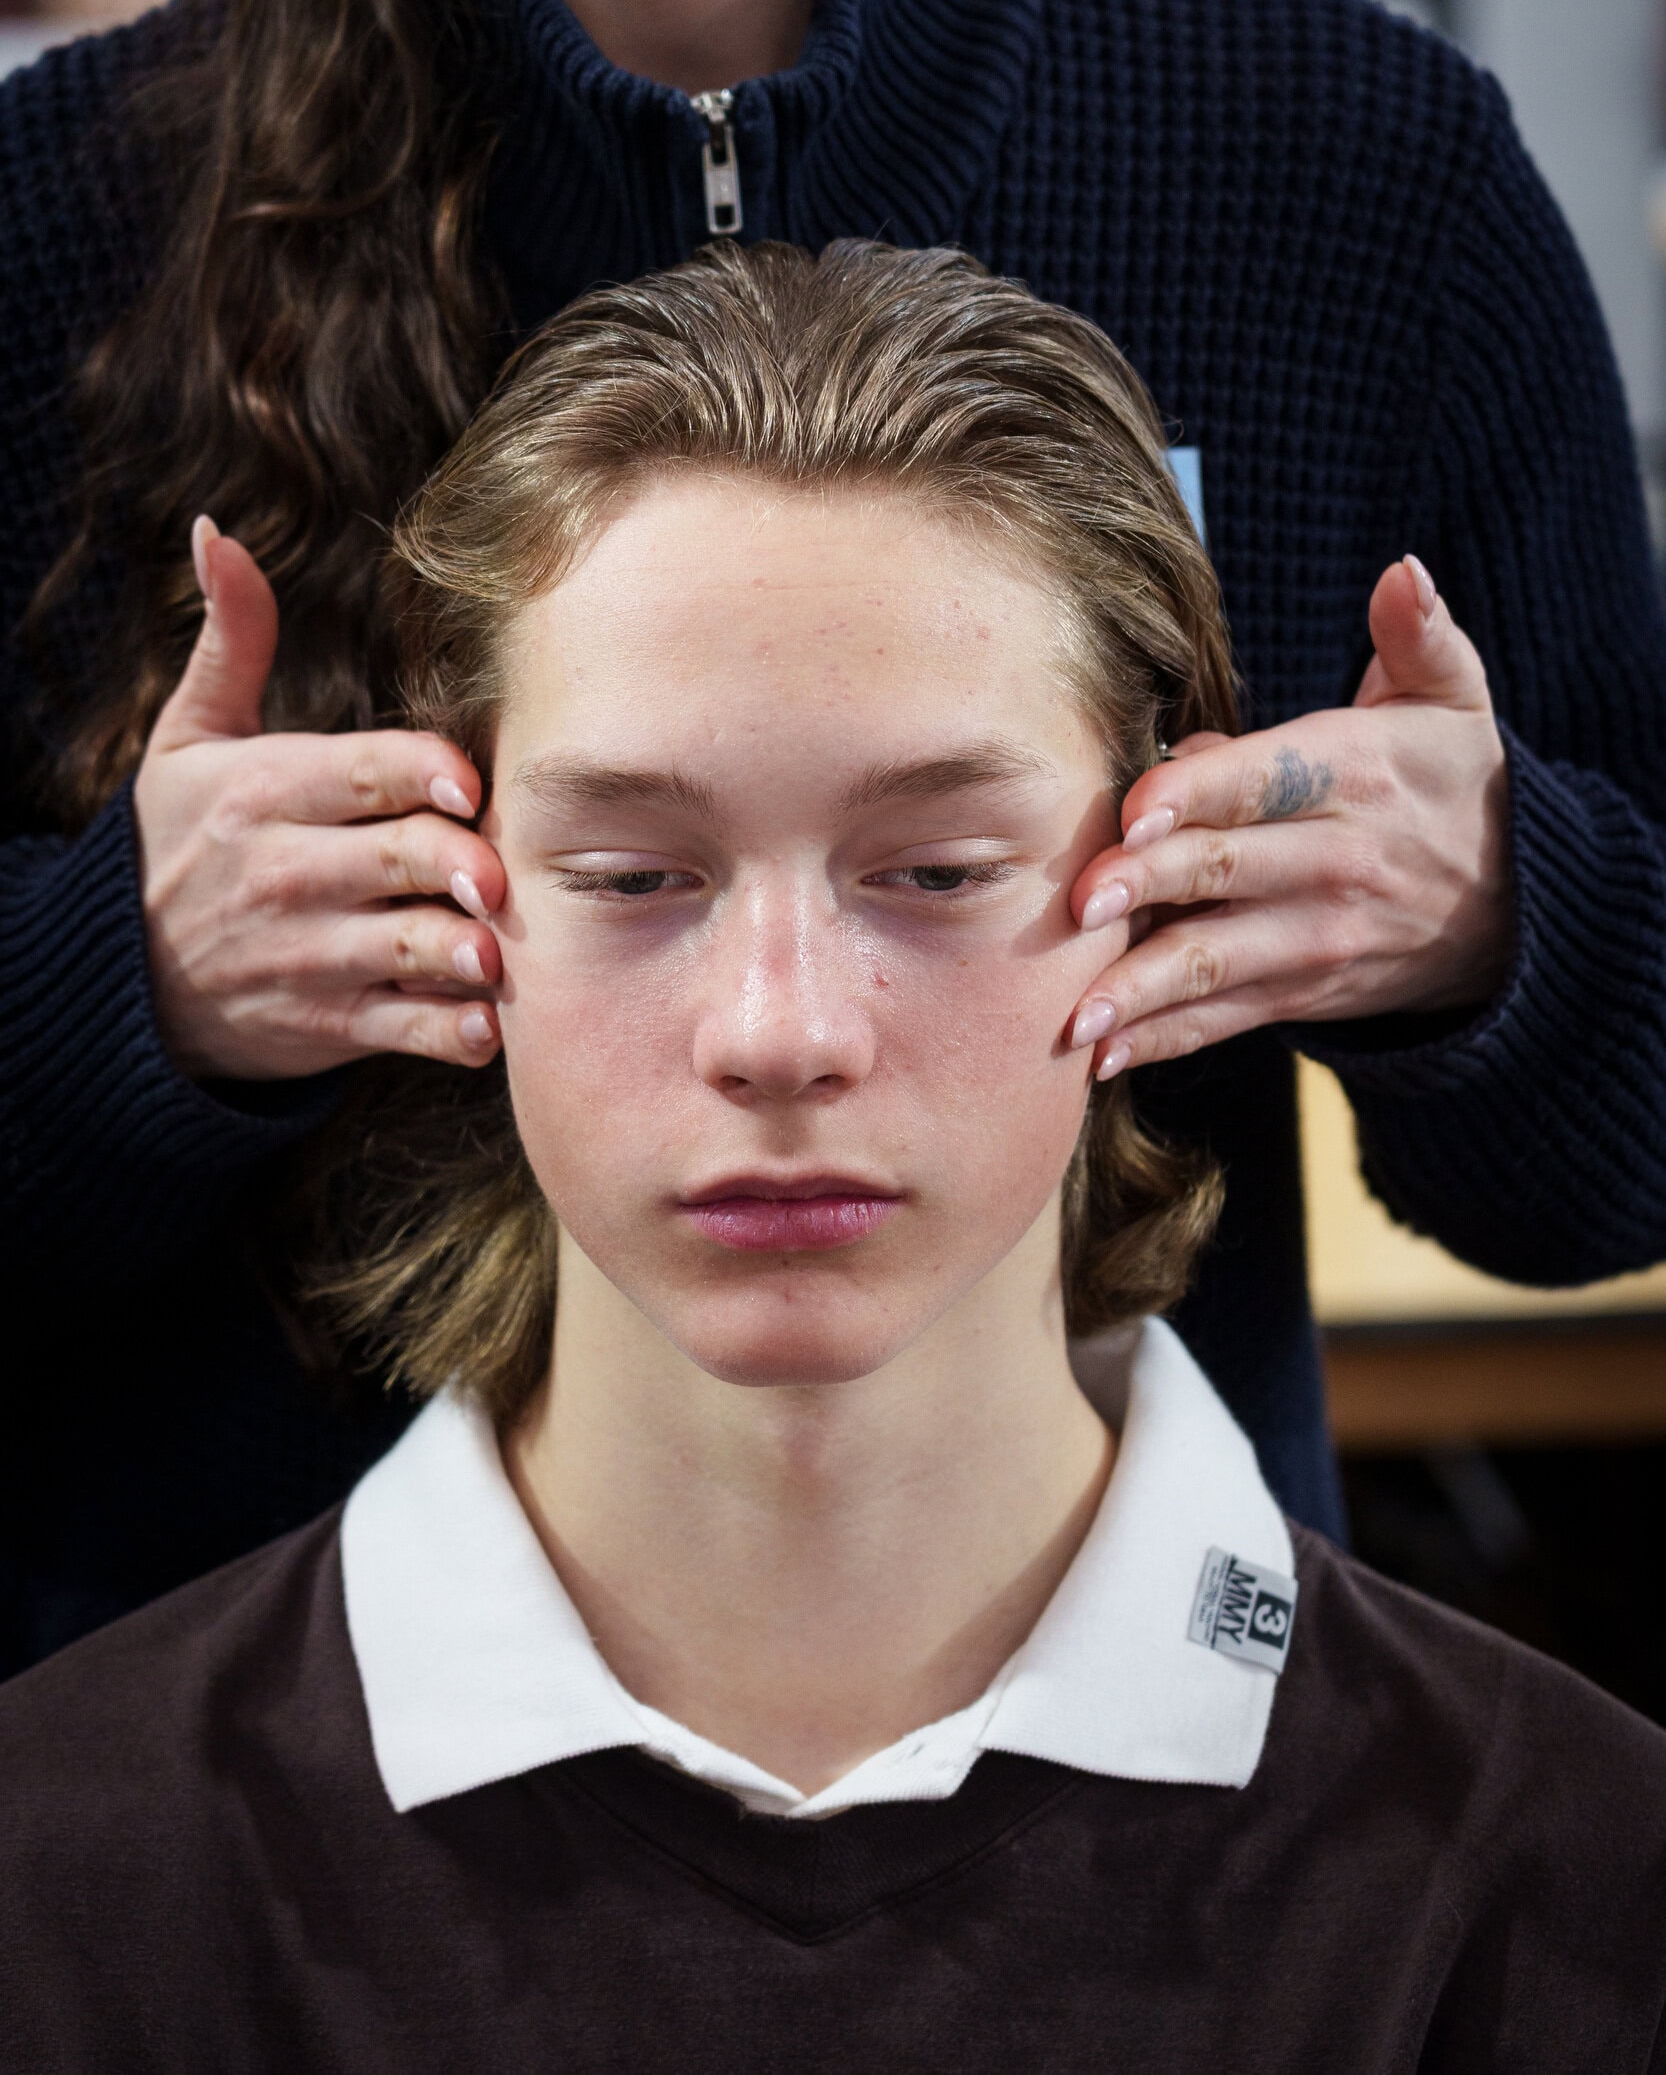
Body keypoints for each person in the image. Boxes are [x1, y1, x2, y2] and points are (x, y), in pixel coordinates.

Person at [4, 0, 1666, 1671]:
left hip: (1133, 1781)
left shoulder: (1345, 178)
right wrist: (119, 985)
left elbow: (1608, 1167)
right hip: (260, 1837)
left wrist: (1495, 921)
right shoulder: (50, 240)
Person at [3, 243, 1662, 2075]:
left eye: (936, 871)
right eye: (636, 876)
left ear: (1177, 867)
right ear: (445, 885)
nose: (781, 1033)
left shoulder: (1568, 1888)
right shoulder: (65, 1888)